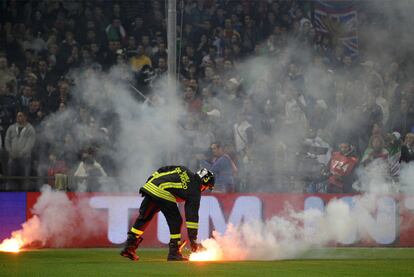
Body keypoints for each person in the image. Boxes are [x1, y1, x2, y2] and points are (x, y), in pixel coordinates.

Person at [120, 166, 215, 262]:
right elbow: (192, 217)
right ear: (205, 182)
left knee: (144, 217)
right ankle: (174, 252)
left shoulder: (183, 169)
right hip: (163, 192)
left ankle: (129, 247)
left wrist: (151, 180)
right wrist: (193, 239)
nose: (204, 189)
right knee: (176, 221)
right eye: (207, 187)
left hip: (151, 186)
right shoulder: (195, 191)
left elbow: (163, 169)